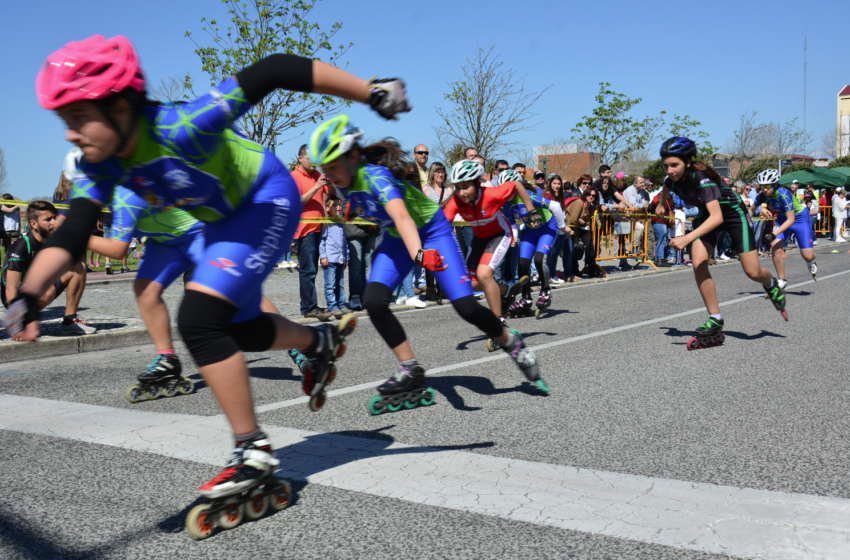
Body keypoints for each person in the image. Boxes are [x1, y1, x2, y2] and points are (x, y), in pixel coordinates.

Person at [19, 36, 409, 513]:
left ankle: (253, 451)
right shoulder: (100, 168)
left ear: (121, 109)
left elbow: (275, 69)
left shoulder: (182, 124)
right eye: (64, 121)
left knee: (200, 319)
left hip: (268, 197)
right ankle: (317, 342)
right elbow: (71, 233)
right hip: (221, 222)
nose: (69, 134)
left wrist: (368, 91)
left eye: (78, 118)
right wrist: (28, 300)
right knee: (237, 329)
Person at [309, 116, 548, 414]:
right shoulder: (343, 182)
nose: (328, 175)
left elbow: (403, 217)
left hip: (432, 232)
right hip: (399, 239)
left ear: (353, 157)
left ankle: (511, 343)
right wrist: (352, 209)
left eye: (332, 167)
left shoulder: (376, 177)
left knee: (465, 307)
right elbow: (380, 214)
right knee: (374, 301)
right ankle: (410, 369)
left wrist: (420, 255)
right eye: (324, 169)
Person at [654, 137, 786, 350]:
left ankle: (771, 284)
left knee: (752, 271)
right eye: (666, 165)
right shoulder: (671, 179)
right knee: (698, 262)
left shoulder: (701, 177)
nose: (669, 170)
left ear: (687, 162)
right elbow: (666, 187)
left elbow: (717, 218)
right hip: (708, 214)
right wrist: (661, 203)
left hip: (732, 214)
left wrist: (686, 238)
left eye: (674, 165)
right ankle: (715, 319)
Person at [88, 183, 204, 399]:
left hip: (198, 233)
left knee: (237, 294)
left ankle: (289, 340)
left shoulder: (123, 196)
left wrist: (74, 235)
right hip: (167, 239)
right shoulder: (112, 199)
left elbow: (116, 250)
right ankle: (167, 358)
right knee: (145, 288)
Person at [442, 164, 534, 338]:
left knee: (484, 275)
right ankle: (505, 290)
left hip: (500, 234)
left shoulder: (492, 194)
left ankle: (498, 323)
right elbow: (442, 226)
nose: (461, 193)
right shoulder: (456, 201)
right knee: (468, 285)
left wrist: (531, 210)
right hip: (479, 239)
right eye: (457, 187)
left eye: (466, 187)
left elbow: (517, 185)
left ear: (477, 183)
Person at [2, 201, 96, 338]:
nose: (53, 222)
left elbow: (80, 262)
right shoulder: (21, 246)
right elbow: (10, 289)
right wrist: (16, 325)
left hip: (40, 288)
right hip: (17, 298)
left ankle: (70, 322)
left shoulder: (55, 240)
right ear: (34, 224)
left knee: (78, 267)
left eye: (54, 217)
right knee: (49, 290)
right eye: (48, 219)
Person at [503, 170, 567, 318]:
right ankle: (526, 298)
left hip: (547, 228)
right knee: (523, 263)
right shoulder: (507, 204)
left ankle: (545, 291)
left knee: (539, 259)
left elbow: (556, 206)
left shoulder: (528, 196)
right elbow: (511, 223)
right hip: (531, 231)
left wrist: (562, 227)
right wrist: (513, 237)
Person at [292, 143, 334, 320]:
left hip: (320, 229)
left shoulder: (318, 175)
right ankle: (308, 308)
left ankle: (312, 305)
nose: (314, 162)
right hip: (305, 230)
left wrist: (331, 184)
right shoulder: (294, 177)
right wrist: (316, 187)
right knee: (307, 271)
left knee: (314, 271)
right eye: (310, 158)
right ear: (301, 159)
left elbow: (331, 195)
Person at [755, 170, 818, 284]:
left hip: (799, 219)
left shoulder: (783, 193)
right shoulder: (762, 196)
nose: (764, 189)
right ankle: (781, 280)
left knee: (808, 256)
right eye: (762, 186)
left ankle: (811, 261)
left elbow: (791, 220)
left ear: (774, 185)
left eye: (767, 186)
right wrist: (761, 212)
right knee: (775, 248)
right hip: (782, 219)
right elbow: (749, 212)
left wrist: (772, 234)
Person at [319, 196, 351, 318]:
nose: (338, 207)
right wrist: (323, 256)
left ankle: (341, 305)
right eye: (334, 205)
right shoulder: (327, 223)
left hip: (340, 259)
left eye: (339, 205)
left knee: (340, 284)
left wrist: (346, 256)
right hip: (330, 259)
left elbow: (344, 241)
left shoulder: (341, 222)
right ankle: (332, 307)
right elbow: (322, 240)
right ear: (327, 208)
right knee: (330, 285)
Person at [344, 205, 379, 310]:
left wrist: (377, 222)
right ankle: (355, 296)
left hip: (372, 230)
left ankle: (368, 296)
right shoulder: (345, 188)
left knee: (369, 266)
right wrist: (367, 224)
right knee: (356, 266)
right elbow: (347, 208)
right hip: (354, 229)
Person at [542, 174, 573, 283]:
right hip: (551, 228)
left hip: (560, 228)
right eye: (554, 183)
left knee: (556, 253)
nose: (557, 186)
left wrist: (564, 228)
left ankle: (553, 274)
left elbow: (562, 213)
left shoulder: (559, 196)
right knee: (551, 253)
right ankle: (548, 276)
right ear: (550, 183)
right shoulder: (547, 195)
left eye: (559, 184)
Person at [567, 187, 602, 278]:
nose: (591, 197)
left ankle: (592, 269)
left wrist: (583, 222)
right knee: (574, 249)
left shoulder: (591, 207)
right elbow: (573, 219)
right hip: (571, 228)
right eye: (589, 194)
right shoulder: (579, 203)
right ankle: (575, 271)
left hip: (581, 228)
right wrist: (580, 221)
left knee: (590, 246)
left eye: (593, 195)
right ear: (585, 195)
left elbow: (589, 220)